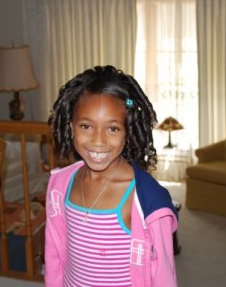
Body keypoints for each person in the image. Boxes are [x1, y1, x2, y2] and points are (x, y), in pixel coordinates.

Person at [45, 65, 178, 287]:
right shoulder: (60, 184)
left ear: (128, 131)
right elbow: (54, 254)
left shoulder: (147, 200)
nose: (98, 141)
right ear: (70, 127)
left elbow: (164, 275)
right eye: (86, 126)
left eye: (113, 129)